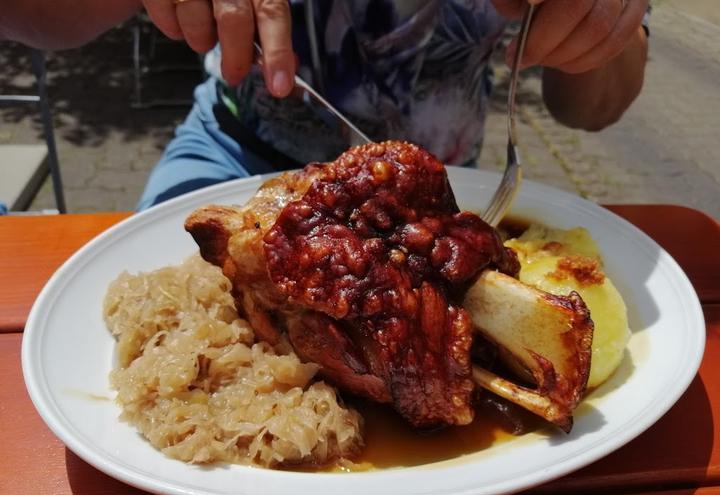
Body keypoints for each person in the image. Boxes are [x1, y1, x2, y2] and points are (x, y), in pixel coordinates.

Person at [1, 1, 651, 209]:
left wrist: (602, 28)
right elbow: (32, 18)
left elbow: (594, 109)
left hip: (446, 196)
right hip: (235, 158)